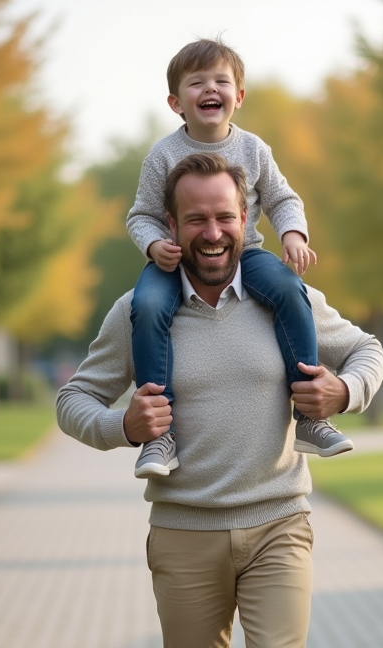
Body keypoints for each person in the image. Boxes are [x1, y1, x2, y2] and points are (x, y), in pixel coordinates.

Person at [56, 152, 383, 648]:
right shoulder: (139, 309)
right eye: (196, 220)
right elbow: (74, 400)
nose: (212, 233)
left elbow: (366, 349)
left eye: (225, 217)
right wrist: (124, 426)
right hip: (184, 534)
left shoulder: (285, 298)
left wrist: (345, 392)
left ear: (246, 218)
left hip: (278, 524)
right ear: (170, 227)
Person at [125, 37, 352, 480]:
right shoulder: (162, 155)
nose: (211, 89)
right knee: (147, 304)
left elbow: (283, 199)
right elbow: (142, 215)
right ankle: (159, 435)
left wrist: (292, 235)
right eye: (197, 83)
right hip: (176, 259)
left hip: (245, 253)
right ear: (176, 103)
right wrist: (154, 246)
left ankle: (310, 416)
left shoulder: (253, 149)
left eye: (221, 81)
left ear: (239, 96)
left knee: (288, 287)